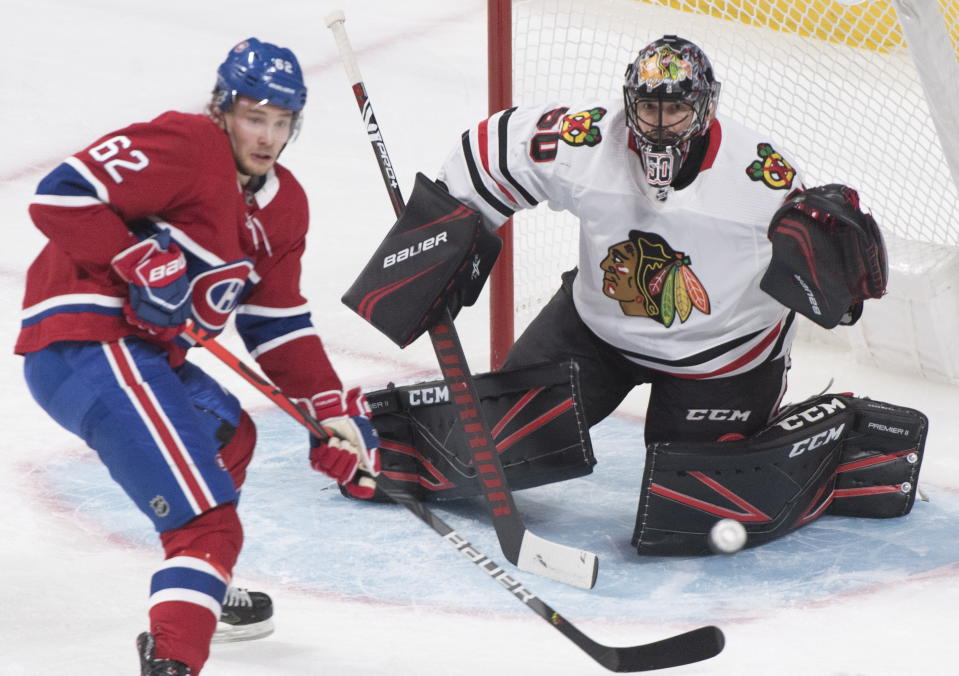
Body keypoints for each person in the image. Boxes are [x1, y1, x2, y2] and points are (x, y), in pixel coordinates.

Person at [349, 34, 902, 555]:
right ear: (628, 102)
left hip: (723, 358)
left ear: (706, 107)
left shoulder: (759, 176)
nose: (660, 126)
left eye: (677, 109)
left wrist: (829, 265)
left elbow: (828, 272)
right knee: (484, 452)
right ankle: (376, 442)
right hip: (595, 332)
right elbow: (492, 151)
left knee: (697, 520)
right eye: (648, 108)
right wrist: (444, 238)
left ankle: (830, 437)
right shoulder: (587, 141)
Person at [16, 38, 379, 675]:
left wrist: (326, 410)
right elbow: (61, 193)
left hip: (143, 356)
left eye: (281, 120)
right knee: (210, 525)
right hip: (88, 343)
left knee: (228, 434)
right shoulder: (189, 145)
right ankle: (177, 650)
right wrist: (136, 260)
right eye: (253, 116)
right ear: (223, 110)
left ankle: (201, 583)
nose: (266, 135)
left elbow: (278, 322)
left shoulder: (284, 205)